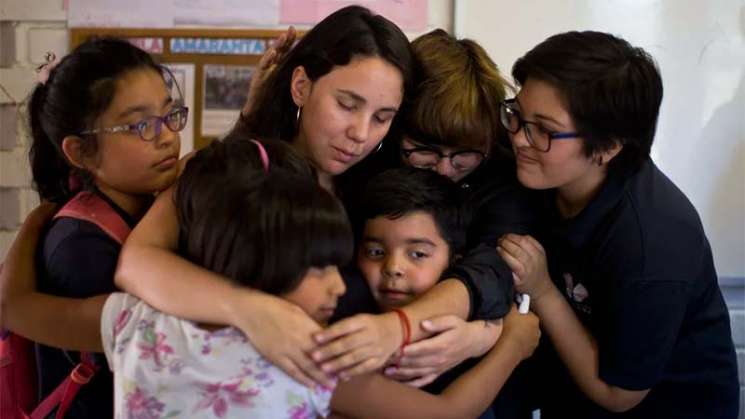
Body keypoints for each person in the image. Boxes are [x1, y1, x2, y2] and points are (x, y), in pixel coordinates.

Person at [102, 137, 541, 419]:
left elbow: (30, 311)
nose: (339, 284)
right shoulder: (313, 356)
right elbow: (447, 414)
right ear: (270, 263)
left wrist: (33, 228)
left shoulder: (137, 320)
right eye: (319, 266)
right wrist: (512, 344)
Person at [496, 30, 740, 418]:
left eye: (543, 129)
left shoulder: (653, 243)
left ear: (608, 146)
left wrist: (541, 289)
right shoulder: (545, 168)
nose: (520, 139)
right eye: (516, 114)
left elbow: (619, 393)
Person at [0, 37, 186, 417]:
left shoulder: (138, 206)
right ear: (81, 152)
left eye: (169, 115)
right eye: (140, 125)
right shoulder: (81, 246)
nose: (167, 136)